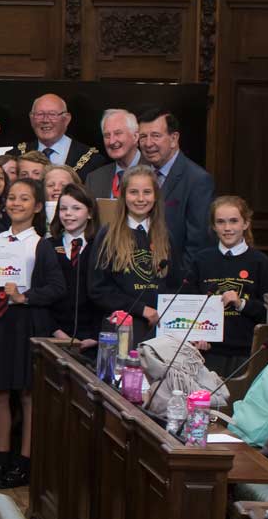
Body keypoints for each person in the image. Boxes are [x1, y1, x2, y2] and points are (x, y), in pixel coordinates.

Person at [0, 177, 65, 490]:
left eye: (24, 199)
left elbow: (56, 288)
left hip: (23, 323)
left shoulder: (41, 245)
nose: (16, 204)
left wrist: (25, 297)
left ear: (37, 207)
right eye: (12, 198)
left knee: (27, 394)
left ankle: (24, 462)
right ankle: (0, 458)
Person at [88, 165, 185, 344]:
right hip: (121, 328)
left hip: (160, 330)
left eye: (147, 192)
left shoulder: (166, 236)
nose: (141, 199)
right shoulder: (108, 235)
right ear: (123, 196)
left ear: (155, 196)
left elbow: (176, 284)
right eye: (133, 192)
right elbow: (98, 289)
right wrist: (141, 309)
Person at [190, 196, 268, 375]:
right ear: (213, 226)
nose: (227, 228)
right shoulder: (201, 260)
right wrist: (196, 335)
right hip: (208, 353)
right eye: (220, 222)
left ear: (245, 223)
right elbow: (190, 304)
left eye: (234, 221)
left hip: (247, 353)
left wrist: (241, 303)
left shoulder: (260, 262)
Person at [136, 109, 216, 265]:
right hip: (139, 276)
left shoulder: (198, 180)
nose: (148, 143)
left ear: (174, 139)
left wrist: (177, 283)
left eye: (156, 136)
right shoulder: (138, 175)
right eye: (143, 136)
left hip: (175, 280)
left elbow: (198, 244)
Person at [48, 183, 102, 349]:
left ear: (90, 213)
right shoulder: (47, 246)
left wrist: (96, 335)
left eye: (76, 208)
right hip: (54, 336)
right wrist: (56, 331)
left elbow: (106, 294)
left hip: (92, 337)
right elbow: (40, 294)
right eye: (63, 209)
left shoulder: (101, 247)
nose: (68, 214)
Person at [13, 93, 105, 179]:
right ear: (31, 119)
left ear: (66, 119)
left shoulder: (92, 160)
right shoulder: (15, 155)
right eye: (40, 114)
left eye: (52, 114)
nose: (45, 120)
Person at [84, 109, 142, 201]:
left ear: (135, 137)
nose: (112, 141)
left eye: (118, 133)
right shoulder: (94, 179)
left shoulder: (155, 171)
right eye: (107, 135)